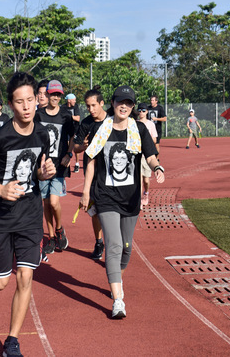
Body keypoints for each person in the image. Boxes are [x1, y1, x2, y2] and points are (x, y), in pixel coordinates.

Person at [0, 72, 56, 357]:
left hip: (29, 213)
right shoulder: (0, 137)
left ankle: (12, 341)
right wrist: (0, 189)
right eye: (20, 102)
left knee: (25, 278)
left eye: (31, 100)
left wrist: (42, 174)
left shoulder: (42, 133)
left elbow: (37, 173)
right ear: (10, 105)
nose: (27, 107)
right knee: (2, 283)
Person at [80, 85, 164, 319]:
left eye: (128, 102)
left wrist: (157, 167)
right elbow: (91, 161)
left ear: (133, 106)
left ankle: (116, 278)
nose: (124, 106)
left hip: (130, 198)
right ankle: (118, 300)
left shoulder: (139, 129)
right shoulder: (101, 128)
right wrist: (86, 192)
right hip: (106, 196)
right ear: (113, 104)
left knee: (126, 248)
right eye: (120, 102)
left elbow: (150, 154)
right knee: (114, 246)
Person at [35, 80, 75, 255]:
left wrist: (69, 154)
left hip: (59, 166)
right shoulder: (39, 114)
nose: (55, 97)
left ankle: (59, 229)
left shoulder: (66, 115)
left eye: (59, 95)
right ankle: (51, 236)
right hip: (42, 166)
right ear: (47, 94)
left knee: (53, 201)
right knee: (45, 203)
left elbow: (73, 136)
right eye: (53, 94)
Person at [73, 87, 107, 260]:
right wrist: (84, 146)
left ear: (102, 103)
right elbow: (75, 146)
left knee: (111, 210)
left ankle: (115, 243)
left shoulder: (113, 121)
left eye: (94, 105)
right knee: (96, 210)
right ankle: (99, 242)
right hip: (92, 171)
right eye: (88, 106)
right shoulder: (86, 123)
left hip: (111, 172)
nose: (91, 109)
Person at [137, 102, 158, 207]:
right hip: (137, 154)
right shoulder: (134, 123)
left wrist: (146, 139)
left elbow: (154, 139)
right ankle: (139, 200)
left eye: (143, 110)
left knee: (146, 180)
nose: (141, 112)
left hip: (147, 154)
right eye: (139, 110)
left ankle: (146, 193)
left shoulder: (150, 124)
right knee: (139, 179)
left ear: (147, 112)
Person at [62, 93, 81, 172]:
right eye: (74, 100)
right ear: (69, 100)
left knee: (75, 146)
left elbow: (78, 118)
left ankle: (77, 163)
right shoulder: (63, 107)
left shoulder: (76, 107)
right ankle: (67, 161)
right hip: (66, 129)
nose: (75, 101)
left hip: (75, 129)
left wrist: (69, 117)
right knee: (67, 145)